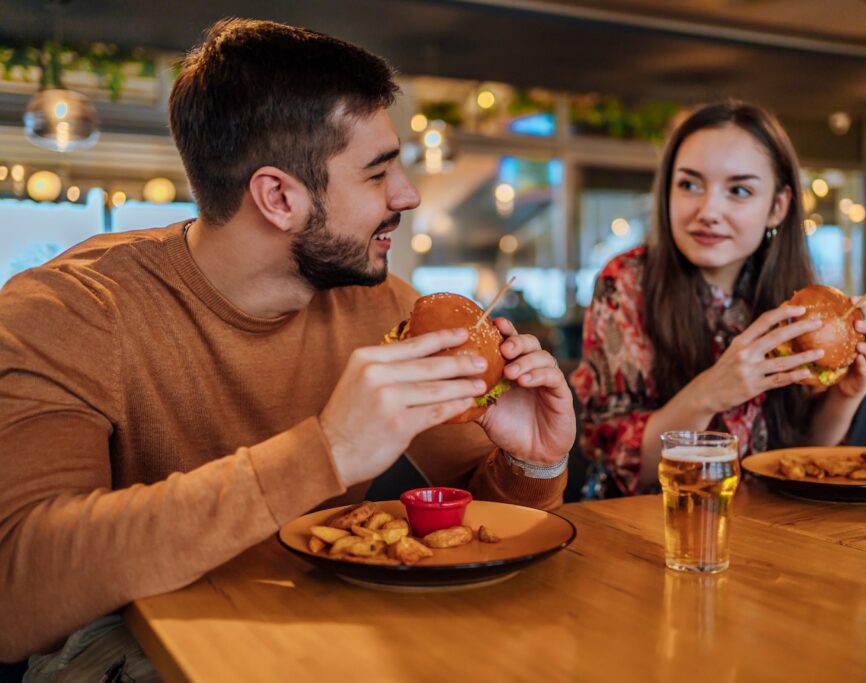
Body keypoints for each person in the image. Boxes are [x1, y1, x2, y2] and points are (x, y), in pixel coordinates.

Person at [0, 18, 575, 673]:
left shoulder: (382, 303)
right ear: (278, 196)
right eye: (378, 173)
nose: (408, 195)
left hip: (336, 635)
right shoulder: (70, 310)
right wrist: (325, 452)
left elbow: (466, 530)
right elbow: (16, 588)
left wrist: (530, 462)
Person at [570, 101, 866, 498]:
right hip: (649, 525)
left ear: (777, 207)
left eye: (738, 190)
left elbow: (799, 457)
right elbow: (625, 465)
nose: (709, 210)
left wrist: (845, 394)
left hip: (769, 525)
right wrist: (712, 391)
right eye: (689, 185)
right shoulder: (626, 283)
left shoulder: (794, 296)